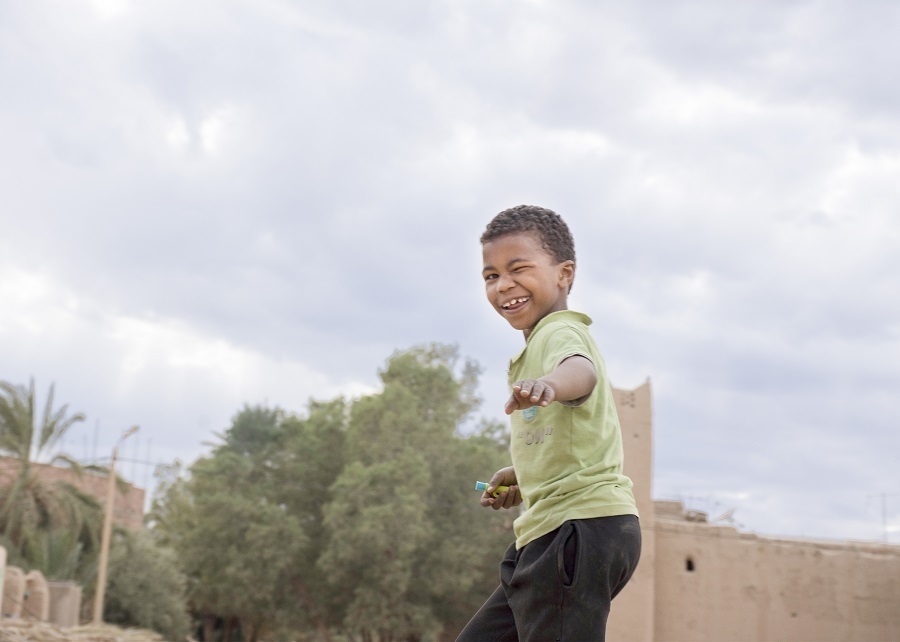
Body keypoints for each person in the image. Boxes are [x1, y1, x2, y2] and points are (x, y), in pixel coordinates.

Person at [457, 205, 641, 642]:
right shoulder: (536, 344)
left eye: (518, 268)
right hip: (551, 533)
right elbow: (573, 440)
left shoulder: (560, 333)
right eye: (491, 276)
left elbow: (581, 372)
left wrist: (550, 384)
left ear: (564, 274)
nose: (504, 285)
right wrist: (525, 475)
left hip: (577, 529)